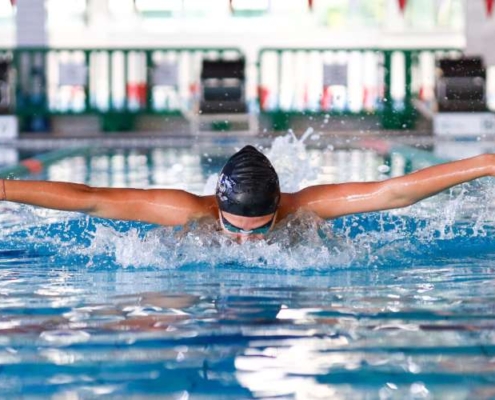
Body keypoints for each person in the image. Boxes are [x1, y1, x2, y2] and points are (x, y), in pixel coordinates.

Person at [1, 145, 494, 241]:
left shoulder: (305, 208)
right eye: (234, 229)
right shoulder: (186, 212)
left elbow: (392, 193)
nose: (245, 243)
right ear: (217, 206)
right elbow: (89, 197)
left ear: (279, 206)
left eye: (260, 232)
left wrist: (487, 164)